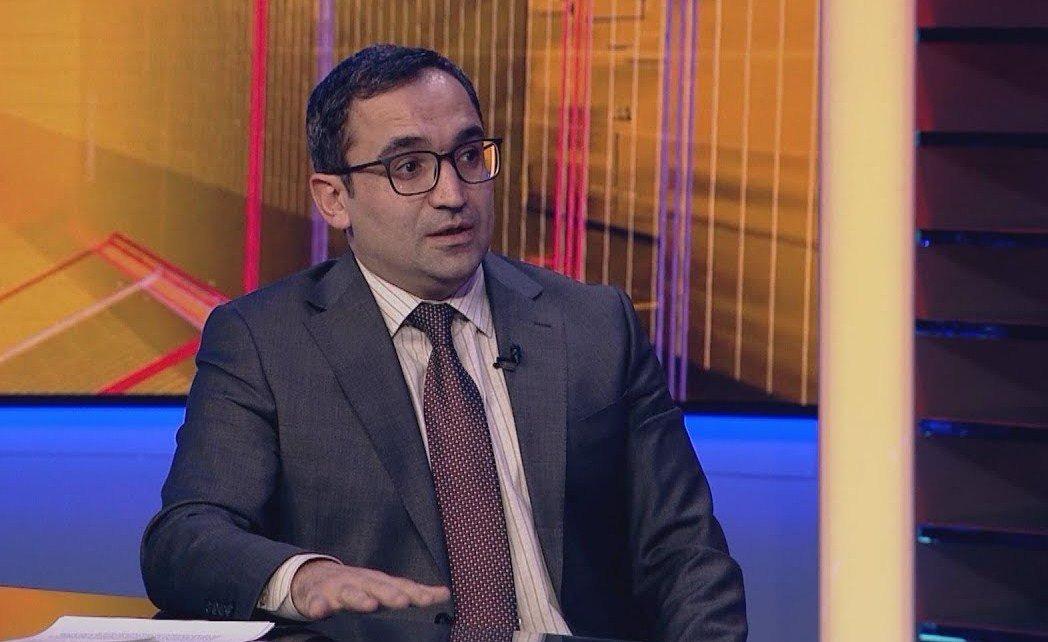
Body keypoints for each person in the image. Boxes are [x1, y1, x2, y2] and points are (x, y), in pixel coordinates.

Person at [141, 44, 746, 642]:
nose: (453, 194)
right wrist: (303, 578)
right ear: (334, 199)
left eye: (468, 156)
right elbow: (186, 539)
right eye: (409, 168)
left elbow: (684, 552)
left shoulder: (595, 325)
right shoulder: (263, 341)